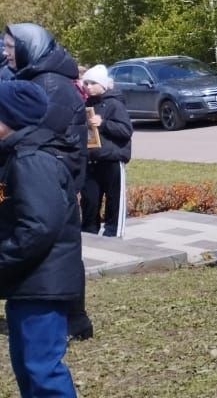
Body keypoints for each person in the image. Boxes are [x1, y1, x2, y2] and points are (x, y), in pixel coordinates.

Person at [4, 23, 92, 341]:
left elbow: (40, 134)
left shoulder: (50, 84)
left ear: (31, 47)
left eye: (12, 47)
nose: (6, 52)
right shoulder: (37, 79)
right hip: (47, 175)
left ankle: (73, 319)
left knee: (56, 250)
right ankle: (71, 319)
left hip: (52, 176)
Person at [0, 81, 82, 397]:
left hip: (41, 284)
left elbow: (39, 227)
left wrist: (3, 258)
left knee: (42, 370)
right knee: (26, 365)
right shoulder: (16, 155)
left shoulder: (31, 161)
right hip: (28, 282)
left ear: (11, 119)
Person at [79, 64, 133, 237]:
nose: (88, 87)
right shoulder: (86, 105)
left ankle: (113, 233)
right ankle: (89, 232)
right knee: (90, 200)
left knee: (114, 200)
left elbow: (125, 131)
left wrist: (103, 123)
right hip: (91, 159)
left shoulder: (115, 104)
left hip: (112, 159)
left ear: (102, 84)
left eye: (92, 83)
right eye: (85, 83)